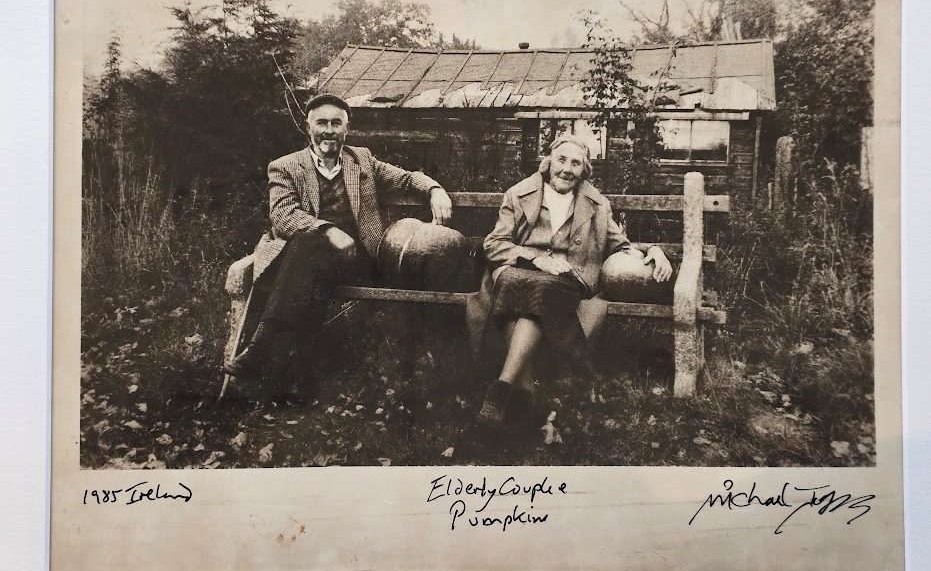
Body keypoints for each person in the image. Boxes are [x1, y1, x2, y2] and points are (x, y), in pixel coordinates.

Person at [224, 93, 453, 398]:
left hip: (358, 263)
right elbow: (282, 215)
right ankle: (293, 373)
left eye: (336, 123)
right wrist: (329, 229)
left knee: (307, 260)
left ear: (347, 128)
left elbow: (407, 179)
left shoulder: (362, 161)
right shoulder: (285, 166)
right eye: (322, 123)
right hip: (308, 261)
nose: (329, 130)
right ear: (309, 127)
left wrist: (435, 190)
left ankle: (263, 349)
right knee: (309, 245)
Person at [465, 134, 673, 430]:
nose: (567, 169)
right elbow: (495, 244)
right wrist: (535, 258)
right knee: (516, 282)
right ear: (548, 162)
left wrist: (654, 251)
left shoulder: (597, 204)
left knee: (540, 288)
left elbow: (620, 246)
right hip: (519, 268)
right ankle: (525, 396)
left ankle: (502, 389)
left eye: (576, 163)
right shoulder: (518, 193)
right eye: (561, 160)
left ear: (584, 170)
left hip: (567, 278)